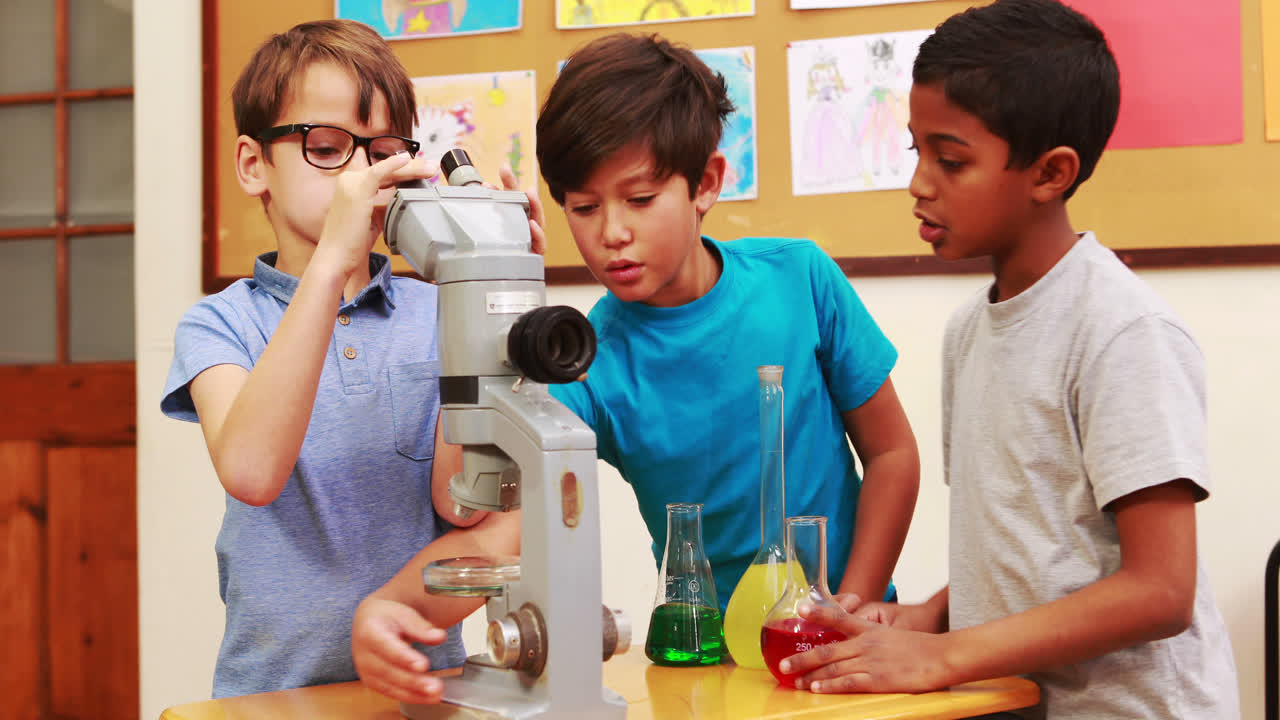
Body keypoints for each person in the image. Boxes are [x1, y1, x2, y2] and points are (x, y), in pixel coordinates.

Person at [778, 2, 1242, 717]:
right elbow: (1033, 554)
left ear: (1051, 173)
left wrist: (946, 655)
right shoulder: (969, 332)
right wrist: (930, 615)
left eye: (951, 159)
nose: (919, 184)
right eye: (917, 151)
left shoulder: (1122, 330)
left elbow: (1161, 590)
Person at [160, 19, 525, 702]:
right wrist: (330, 259)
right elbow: (251, 469)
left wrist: (487, 292)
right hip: (268, 696)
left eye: (381, 151)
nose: (360, 173)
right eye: (327, 148)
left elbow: (464, 503)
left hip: (420, 693)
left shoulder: (433, 316)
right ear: (252, 164)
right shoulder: (221, 322)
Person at [539, 34, 920, 623]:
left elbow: (892, 452)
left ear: (707, 184)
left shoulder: (798, 278)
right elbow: (497, 498)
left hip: (853, 635)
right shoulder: (587, 359)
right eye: (583, 208)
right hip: (710, 659)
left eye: (639, 198)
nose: (611, 232)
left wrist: (854, 605)